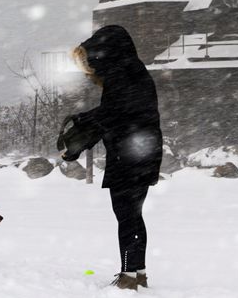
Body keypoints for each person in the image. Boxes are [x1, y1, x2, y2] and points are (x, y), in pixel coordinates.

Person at [57, 24, 163, 291]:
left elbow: (112, 113)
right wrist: (82, 139)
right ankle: (137, 271)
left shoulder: (121, 73)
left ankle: (129, 275)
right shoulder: (134, 71)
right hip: (142, 151)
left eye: (92, 58)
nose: (91, 66)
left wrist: (82, 125)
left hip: (129, 154)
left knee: (127, 215)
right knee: (133, 214)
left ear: (104, 52)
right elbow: (115, 114)